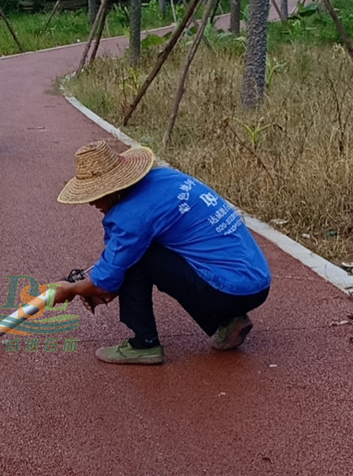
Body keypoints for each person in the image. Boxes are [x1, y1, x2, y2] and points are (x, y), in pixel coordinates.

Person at [52, 140, 271, 365]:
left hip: (230, 290)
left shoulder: (133, 215)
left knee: (141, 259)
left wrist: (70, 289)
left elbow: (105, 280)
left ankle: (144, 344)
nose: (91, 202)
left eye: (94, 194)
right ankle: (230, 320)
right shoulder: (164, 178)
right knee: (144, 253)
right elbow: (113, 268)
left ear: (111, 190)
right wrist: (105, 284)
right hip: (257, 280)